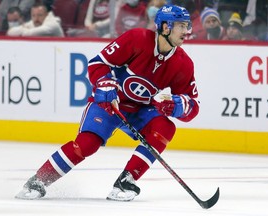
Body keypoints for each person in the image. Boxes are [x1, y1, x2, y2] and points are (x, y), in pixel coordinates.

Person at [15, 4, 200, 202]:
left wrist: (178, 106)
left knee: (165, 127)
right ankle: (38, 181)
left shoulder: (183, 63)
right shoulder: (137, 39)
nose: (186, 30)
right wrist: (104, 83)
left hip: (140, 110)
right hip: (110, 105)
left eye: (187, 25)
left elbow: (193, 105)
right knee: (87, 144)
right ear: (165, 27)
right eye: (181, 25)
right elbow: (97, 63)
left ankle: (126, 180)